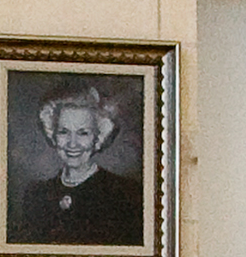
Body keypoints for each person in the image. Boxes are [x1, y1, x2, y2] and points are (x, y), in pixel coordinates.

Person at [7, 78, 144, 247]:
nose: (72, 144)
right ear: (53, 134)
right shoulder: (36, 195)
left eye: (83, 133)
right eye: (64, 132)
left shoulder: (125, 194)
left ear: (99, 137)